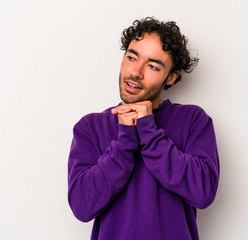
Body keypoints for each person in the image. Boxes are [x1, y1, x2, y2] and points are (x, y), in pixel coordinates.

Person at [67, 17, 220, 240]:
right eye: (131, 57)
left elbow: (203, 193)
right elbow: (82, 206)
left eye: (153, 66)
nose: (136, 72)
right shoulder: (90, 127)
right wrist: (124, 143)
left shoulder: (193, 120)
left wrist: (148, 131)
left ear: (171, 77)